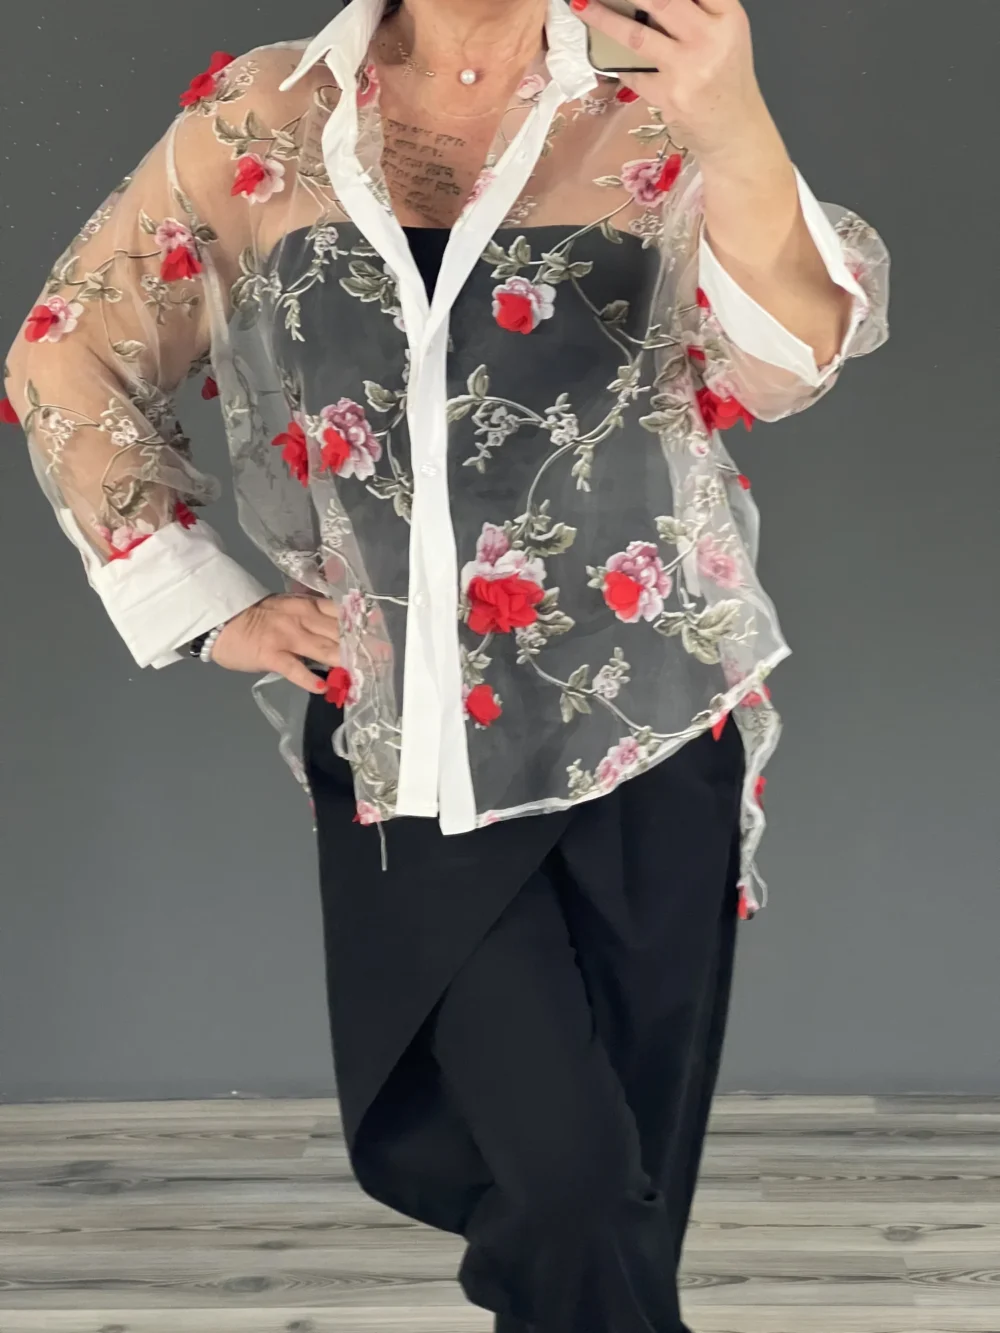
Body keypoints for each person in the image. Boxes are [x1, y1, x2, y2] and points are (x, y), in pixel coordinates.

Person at [3, 0, 890, 1328]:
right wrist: (206, 604)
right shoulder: (269, 114)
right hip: (406, 741)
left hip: (650, 729)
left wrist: (733, 123)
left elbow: (790, 361)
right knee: (574, 1192)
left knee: (624, 1205)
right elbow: (68, 350)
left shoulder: (658, 91)